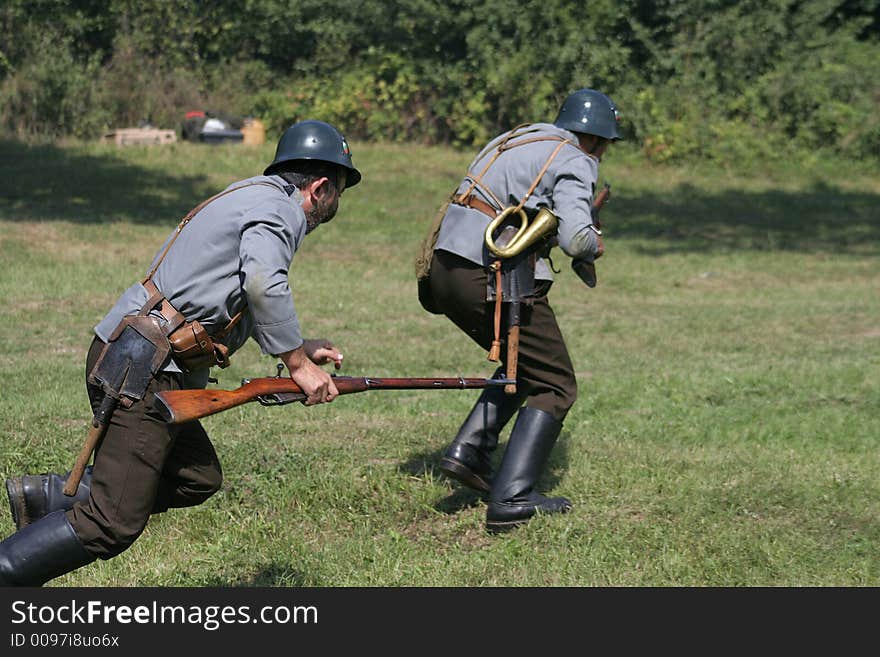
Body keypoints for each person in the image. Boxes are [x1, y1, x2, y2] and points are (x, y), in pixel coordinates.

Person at [0, 119, 362, 586]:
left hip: (142, 355)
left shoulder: (254, 197)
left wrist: (299, 344)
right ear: (319, 187)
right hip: (144, 365)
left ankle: (46, 497)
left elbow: (226, 295)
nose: (336, 203)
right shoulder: (283, 212)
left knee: (197, 477)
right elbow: (263, 283)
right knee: (111, 523)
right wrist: (297, 365)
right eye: (339, 192)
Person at [421, 89, 621, 532]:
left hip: (443, 267)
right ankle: (511, 499)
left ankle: (470, 450)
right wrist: (596, 242)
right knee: (556, 382)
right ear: (595, 138)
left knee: (525, 362)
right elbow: (577, 240)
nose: (603, 153)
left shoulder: (515, 138)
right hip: (486, 271)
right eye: (606, 144)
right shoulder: (575, 158)